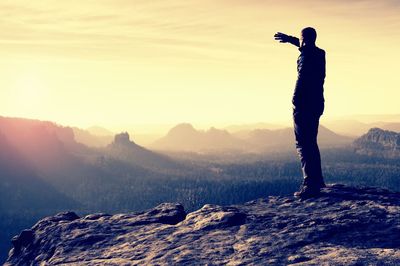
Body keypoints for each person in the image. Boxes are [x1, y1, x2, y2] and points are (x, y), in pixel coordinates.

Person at [274, 27, 326, 198]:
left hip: (304, 105)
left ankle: (310, 185)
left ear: (304, 39)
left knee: (303, 144)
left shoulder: (305, 56)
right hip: (317, 103)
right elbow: (306, 45)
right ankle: (317, 180)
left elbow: (302, 79)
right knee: (311, 142)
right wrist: (290, 39)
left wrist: (295, 101)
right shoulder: (320, 53)